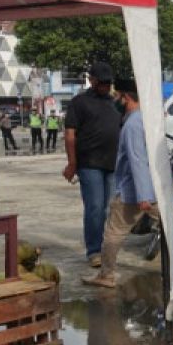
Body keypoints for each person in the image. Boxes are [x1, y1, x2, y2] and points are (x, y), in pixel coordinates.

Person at [82, 78, 173, 289]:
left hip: (134, 192)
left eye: (118, 96)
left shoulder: (132, 124)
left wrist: (142, 195)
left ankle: (107, 274)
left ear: (127, 97)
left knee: (113, 234)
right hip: (154, 188)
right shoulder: (148, 121)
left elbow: (137, 160)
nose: (115, 100)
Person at [63, 62, 122, 268]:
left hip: (113, 163)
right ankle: (94, 251)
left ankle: (108, 248)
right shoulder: (79, 102)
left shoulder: (115, 103)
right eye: (102, 82)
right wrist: (72, 163)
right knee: (95, 207)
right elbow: (70, 134)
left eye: (108, 83)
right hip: (89, 164)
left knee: (110, 209)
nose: (106, 86)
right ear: (92, 80)